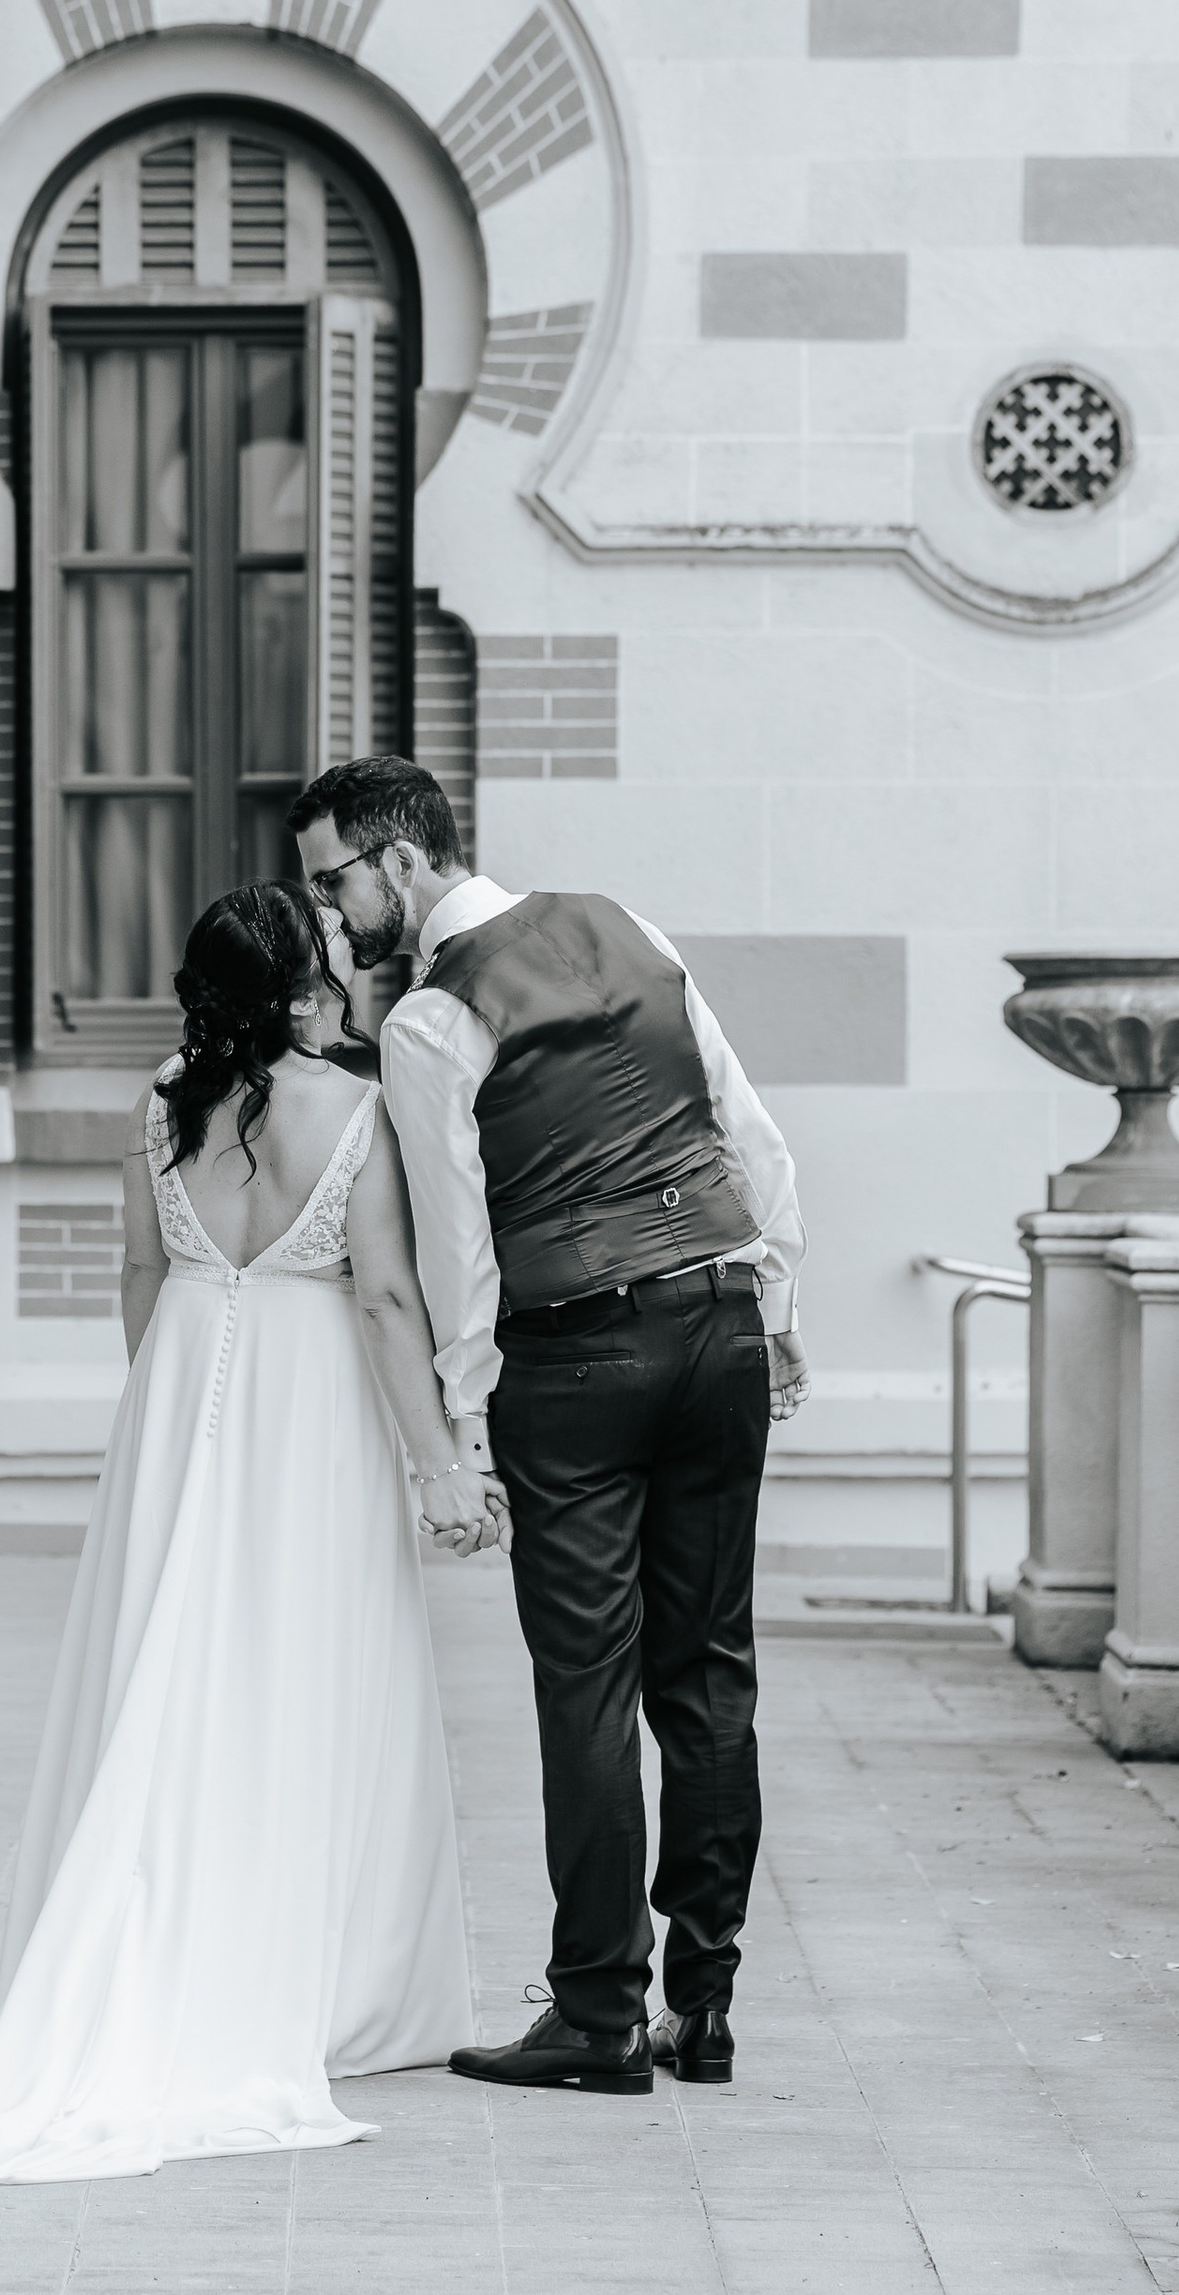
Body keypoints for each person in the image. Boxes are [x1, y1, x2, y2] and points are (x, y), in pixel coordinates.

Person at [0, 882, 475, 2182]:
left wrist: (171, 1416)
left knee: (164, 1666)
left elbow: (140, 1272)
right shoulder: (353, 1110)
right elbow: (384, 1299)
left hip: (181, 1383)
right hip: (310, 1407)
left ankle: (162, 1937)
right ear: (299, 987)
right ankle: (318, 1978)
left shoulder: (160, 1102)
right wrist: (441, 1466)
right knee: (302, 1673)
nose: (343, 982)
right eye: (327, 966)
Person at [291, 756, 808, 2100]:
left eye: (335, 882)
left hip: (576, 1357)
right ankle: (704, 2005)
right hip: (719, 1317)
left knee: (587, 1685)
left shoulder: (430, 1020)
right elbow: (741, 1124)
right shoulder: (629, 926)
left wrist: (464, 1423)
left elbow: (459, 1247)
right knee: (711, 1672)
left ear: (402, 860)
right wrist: (775, 1296)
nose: (332, 914)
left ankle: (596, 2013)